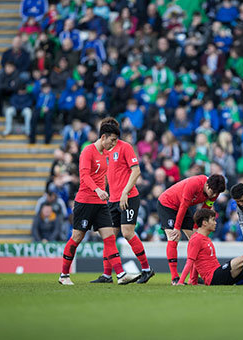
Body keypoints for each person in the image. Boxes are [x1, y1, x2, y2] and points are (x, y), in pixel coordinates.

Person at [59, 123, 140, 285]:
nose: (113, 144)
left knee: (109, 238)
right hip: (85, 201)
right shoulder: (88, 151)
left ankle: (121, 274)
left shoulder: (105, 154)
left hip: (101, 203)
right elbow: (84, 176)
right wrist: (98, 190)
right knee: (77, 237)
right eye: (112, 140)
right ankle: (64, 275)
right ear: (103, 137)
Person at [91, 118, 154, 284]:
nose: (113, 141)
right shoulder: (105, 152)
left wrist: (125, 192)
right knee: (109, 237)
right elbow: (108, 176)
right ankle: (106, 275)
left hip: (129, 198)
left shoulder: (125, 147)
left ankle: (147, 269)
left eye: (114, 137)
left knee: (127, 233)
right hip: (112, 200)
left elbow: (136, 171)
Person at [176, 209, 243, 286]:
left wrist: (193, 281)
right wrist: (181, 281)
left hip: (217, 274)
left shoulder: (205, 238)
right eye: (213, 220)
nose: (215, 222)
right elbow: (190, 261)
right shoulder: (196, 239)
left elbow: (196, 262)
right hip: (213, 277)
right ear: (204, 223)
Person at [157, 174, 226, 285]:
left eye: (217, 193)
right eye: (213, 192)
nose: (214, 195)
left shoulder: (214, 192)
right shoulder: (194, 184)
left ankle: (193, 279)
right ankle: (175, 277)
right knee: (174, 237)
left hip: (183, 206)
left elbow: (205, 211)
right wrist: (177, 228)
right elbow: (183, 206)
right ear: (207, 185)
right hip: (168, 204)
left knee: (195, 239)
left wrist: (197, 228)